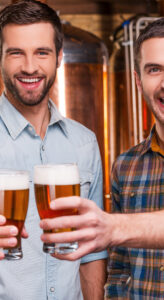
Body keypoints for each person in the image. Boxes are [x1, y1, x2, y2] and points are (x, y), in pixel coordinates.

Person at [0, 1, 107, 299]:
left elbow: (91, 254)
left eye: (42, 52)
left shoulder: (84, 142)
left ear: (59, 58)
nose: (30, 67)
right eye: (16, 53)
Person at [39, 17, 164, 299]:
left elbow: (112, 233)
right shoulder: (126, 166)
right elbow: (119, 270)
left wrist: (114, 227)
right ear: (137, 79)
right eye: (154, 69)